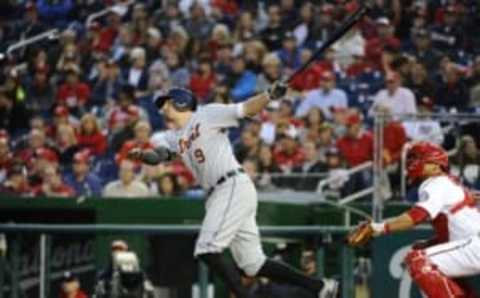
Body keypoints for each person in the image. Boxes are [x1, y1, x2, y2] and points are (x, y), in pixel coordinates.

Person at [128, 85, 338, 298]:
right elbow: (161, 155)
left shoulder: (206, 114)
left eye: (167, 103)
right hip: (224, 192)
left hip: (230, 186)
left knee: (207, 249)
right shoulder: (176, 136)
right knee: (253, 265)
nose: (163, 109)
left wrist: (268, 96)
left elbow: (245, 109)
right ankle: (319, 287)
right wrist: (144, 156)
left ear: (181, 102)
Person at [349, 141, 480, 297]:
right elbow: (456, 232)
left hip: (475, 245)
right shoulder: (447, 184)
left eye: (420, 158)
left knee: (419, 261)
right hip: (472, 244)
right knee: (438, 270)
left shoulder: (436, 183)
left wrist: (378, 227)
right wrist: (429, 243)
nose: (414, 162)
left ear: (435, 165)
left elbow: (416, 217)